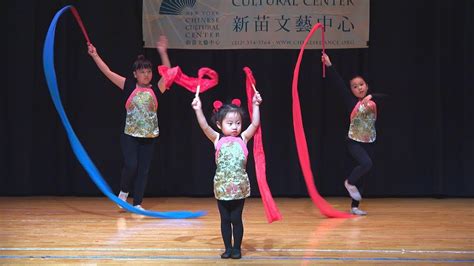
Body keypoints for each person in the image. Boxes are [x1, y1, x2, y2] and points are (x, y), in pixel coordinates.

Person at [87, 36, 171, 210]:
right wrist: (95, 55)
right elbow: (108, 72)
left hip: (149, 136)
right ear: (135, 74)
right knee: (131, 164)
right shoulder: (128, 86)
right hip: (129, 134)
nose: (146, 75)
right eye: (142, 72)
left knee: (144, 171)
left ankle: (138, 203)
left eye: (149, 71)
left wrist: (163, 53)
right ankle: (124, 193)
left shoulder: (156, 89)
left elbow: (169, 74)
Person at [191, 92, 262, 259]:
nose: (235, 127)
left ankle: (237, 248)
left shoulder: (243, 138)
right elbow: (203, 126)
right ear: (219, 125)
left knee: (236, 218)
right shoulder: (217, 139)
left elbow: (255, 123)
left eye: (238, 123)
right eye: (230, 123)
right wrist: (198, 109)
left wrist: (256, 105)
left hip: (239, 188)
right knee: (225, 219)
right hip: (222, 187)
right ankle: (227, 248)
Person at [322, 53, 377, 216]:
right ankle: (349, 182)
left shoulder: (373, 101)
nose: (359, 88)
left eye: (361, 84)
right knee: (366, 164)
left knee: (364, 172)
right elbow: (339, 84)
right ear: (351, 90)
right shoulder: (350, 101)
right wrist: (329, 65)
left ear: (366, 85)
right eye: (355, 86)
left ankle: (355, 206)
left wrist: (371, 97)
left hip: (370, 141)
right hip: (353, 141)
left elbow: (386, 97)